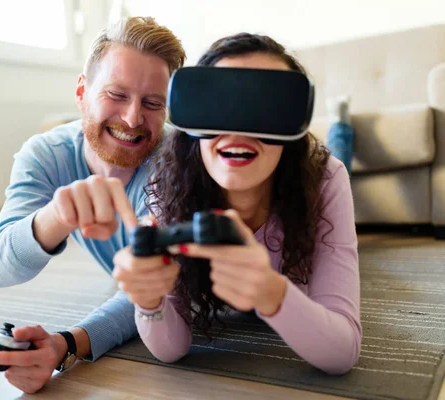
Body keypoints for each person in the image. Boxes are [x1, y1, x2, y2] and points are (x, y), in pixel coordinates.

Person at [112, 33, 362, 375]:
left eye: (264, 108)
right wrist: (148, 300)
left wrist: (271, 292)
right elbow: (171, 350)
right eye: (221, 106)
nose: (239, 131)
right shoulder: (172, 189)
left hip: (313, 173)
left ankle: (342, 126)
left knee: (339, 156)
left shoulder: (326, 179)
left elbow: (342, 352)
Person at [0, 17, 186, 393]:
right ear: (82, 92)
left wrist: (68, 343)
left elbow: (156, 294)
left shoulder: (176, 161)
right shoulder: (45, 155)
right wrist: (54, 218)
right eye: (117, 94)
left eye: (153, 103)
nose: (132, 118)